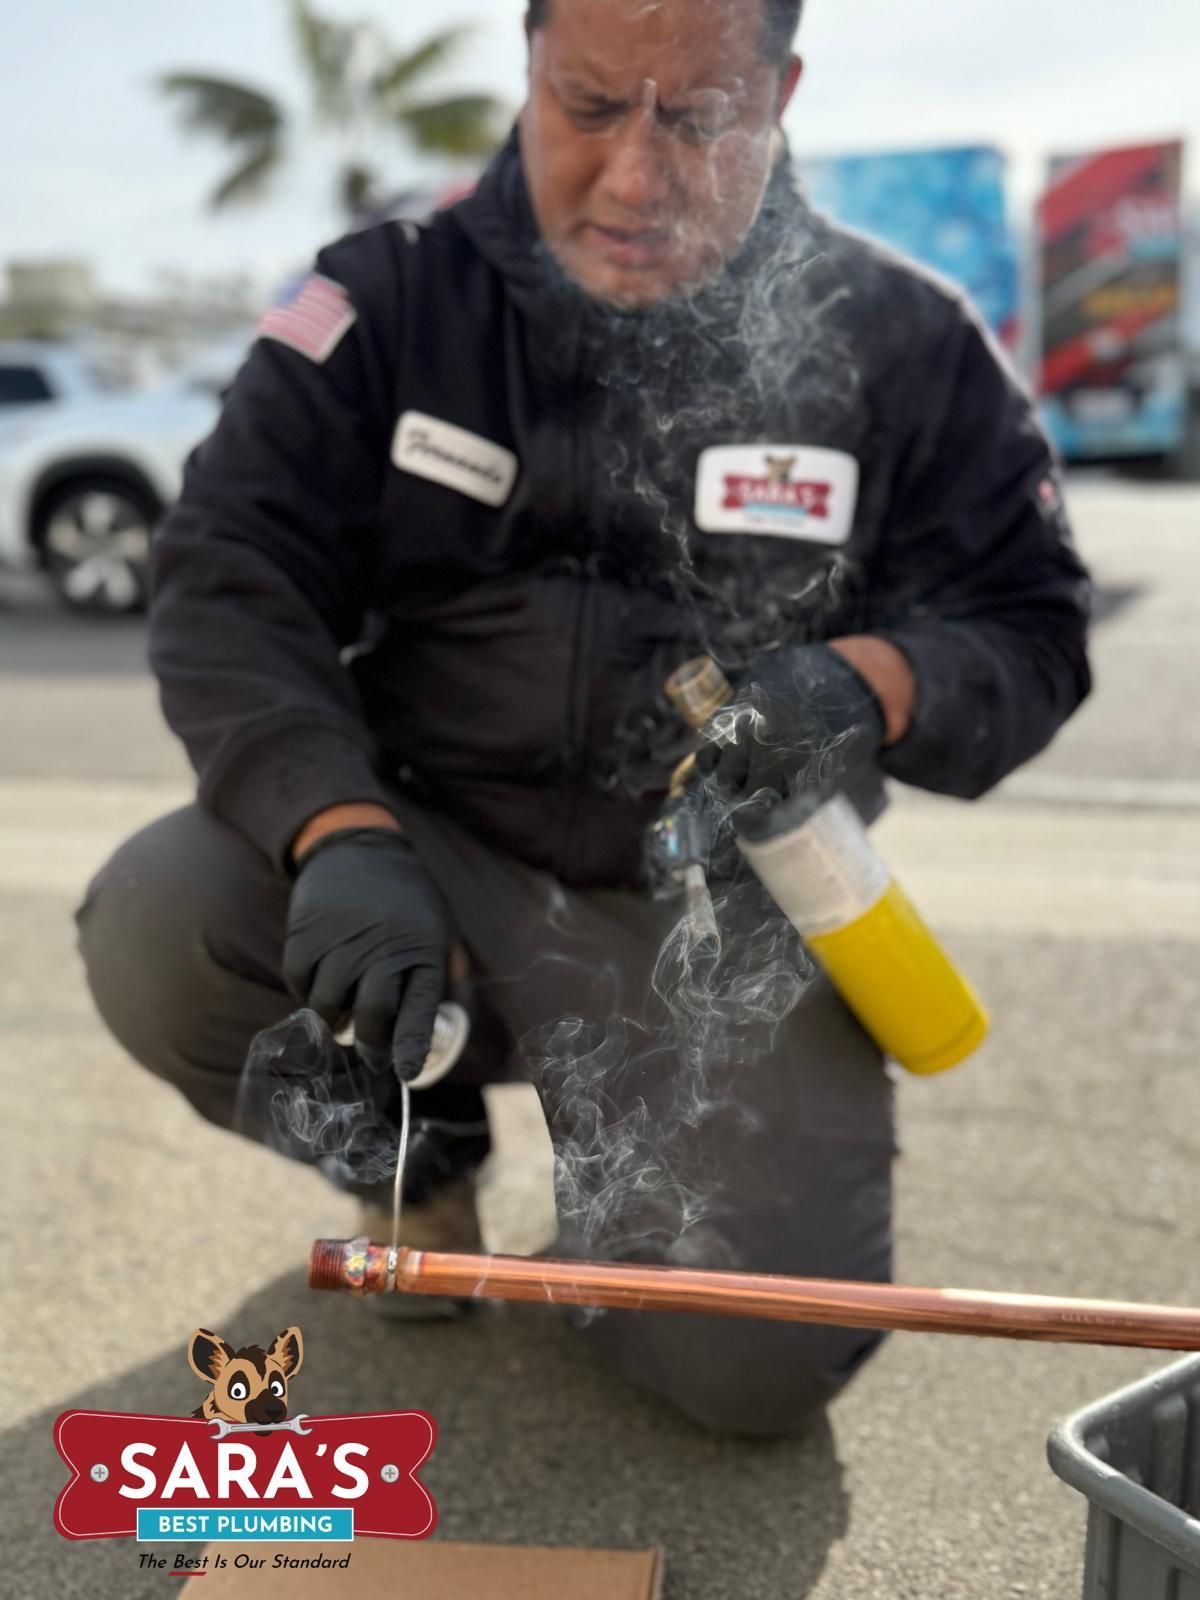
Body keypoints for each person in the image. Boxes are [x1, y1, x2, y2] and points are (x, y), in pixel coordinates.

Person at [77, 0, 1092, 1438]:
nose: (634, 178)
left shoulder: (906, 341)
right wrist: (338, 827)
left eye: (696, 118)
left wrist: (872, 682)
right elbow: (228, 574)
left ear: (784, 89)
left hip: (721, 915)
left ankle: (620, 1231)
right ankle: (415, 1150)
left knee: (757, 1374)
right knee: (162, 921)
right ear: (530, 69)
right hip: (435, 861)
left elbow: (1032, 623)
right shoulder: (382, 300)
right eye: (593, 106)